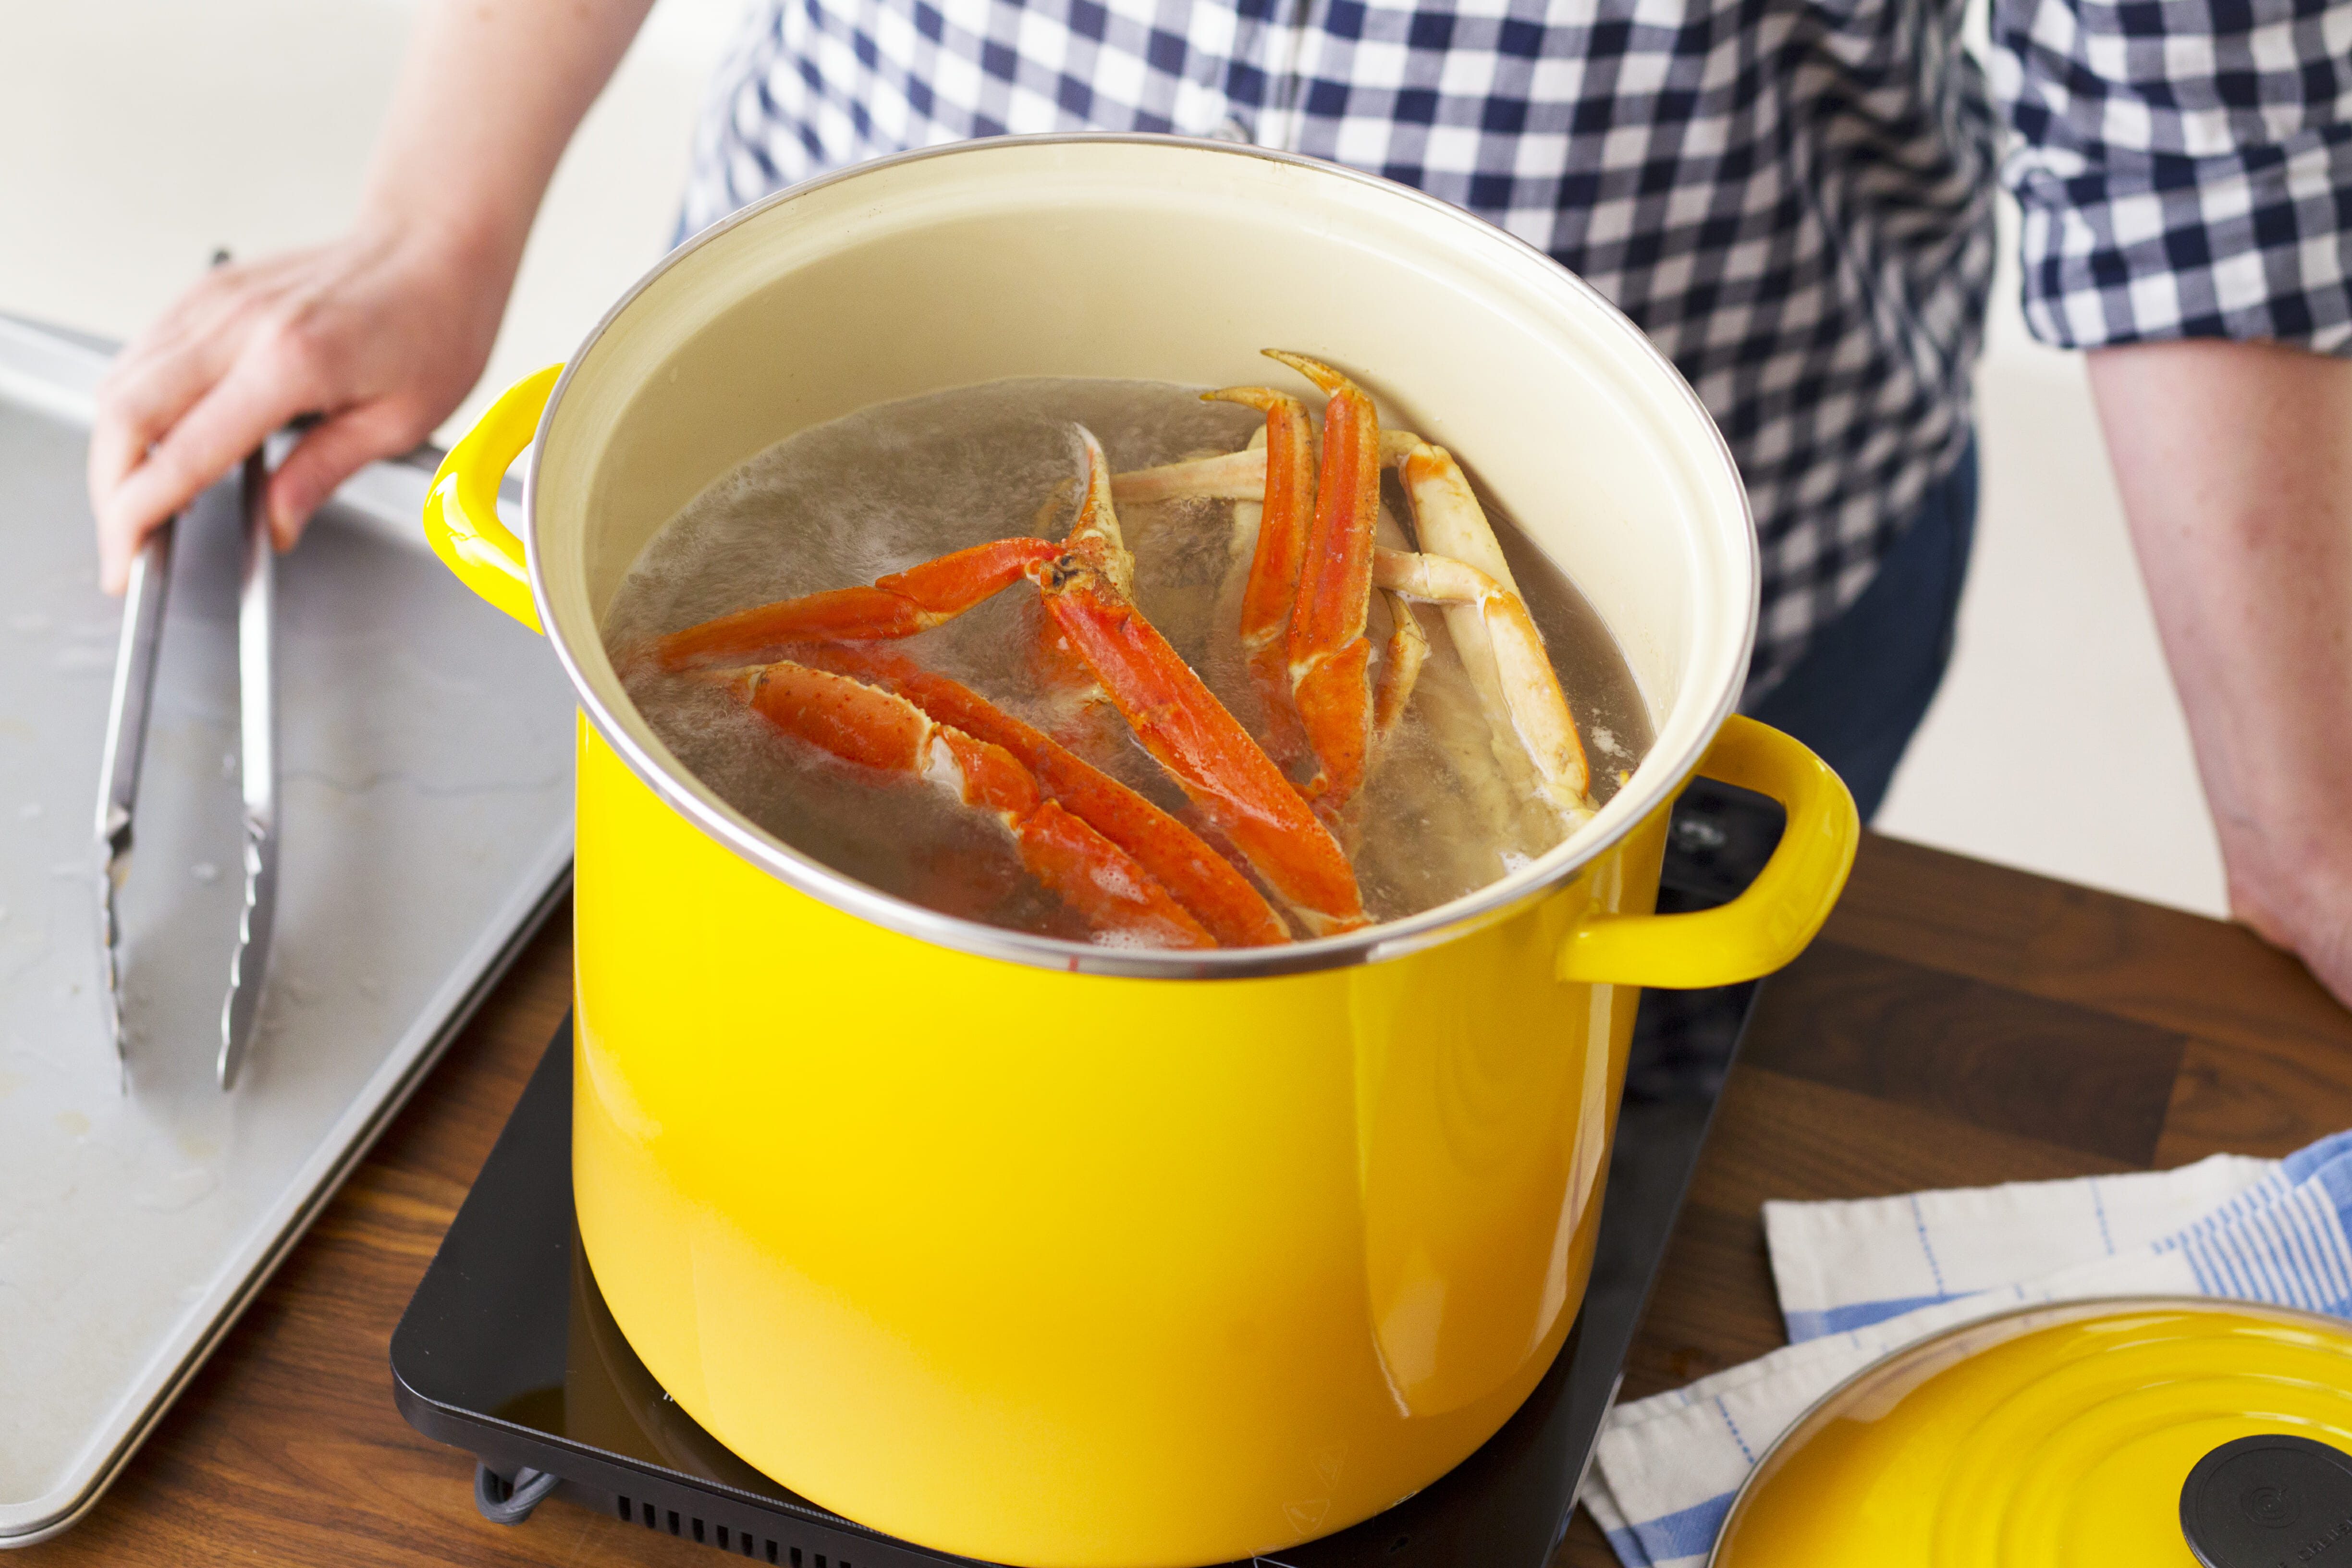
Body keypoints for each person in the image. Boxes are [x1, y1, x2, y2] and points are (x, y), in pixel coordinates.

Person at [86, 0, 2352, 1007]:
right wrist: (436, 216)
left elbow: (2199, 112)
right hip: (867, 258)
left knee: (1598, 1124)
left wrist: (2304, 832)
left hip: (1724, 522)